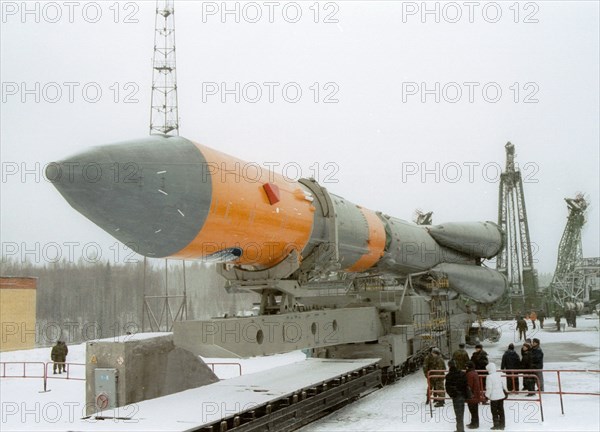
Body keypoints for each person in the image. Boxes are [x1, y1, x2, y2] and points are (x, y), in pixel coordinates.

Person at [445, 359, 470, 432]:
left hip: (456, 397)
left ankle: (460, 429)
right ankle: (460, 429)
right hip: (462, 395)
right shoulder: (462, 373)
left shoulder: (449, 376)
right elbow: (466, 384)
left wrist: (452, 395)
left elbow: (447, 388)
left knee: (458, 414)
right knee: (461, 413)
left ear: (449, 366)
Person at [485, 362, 508, 430]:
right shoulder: (498, 375)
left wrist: (487, 396)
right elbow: (503, 384)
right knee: (501, 411)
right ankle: (502, 425)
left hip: (494, 398)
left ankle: (496, 425)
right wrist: (506, 391)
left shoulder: (489, 377)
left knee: (494, 412)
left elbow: (489, 388)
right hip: (501, 396)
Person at [465, 361, 482, 429]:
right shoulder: (474, 373)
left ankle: (474, 424)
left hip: (472, 395)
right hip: (476, 394)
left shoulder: (469, 374)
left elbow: (469, 385)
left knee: (473, 410)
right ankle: (474, 422)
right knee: (474, 410)